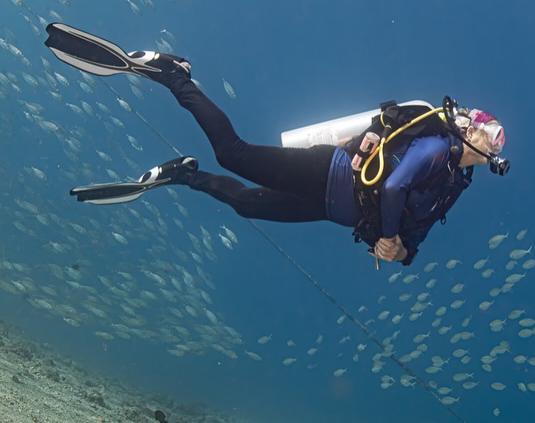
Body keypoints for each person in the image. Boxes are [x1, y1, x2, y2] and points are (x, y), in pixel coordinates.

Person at [44, 23, 508, 266]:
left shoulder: (456, 180)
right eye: (492, 129)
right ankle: (174, 76)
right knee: (234, 152)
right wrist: (389, 236)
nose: (497, 139)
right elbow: (392, 189)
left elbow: (417, 228)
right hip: (329, 172)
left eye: (498, 138)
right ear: (471, 129)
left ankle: (184, 173)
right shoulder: (436, 148)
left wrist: (402, 251)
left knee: (247, 205)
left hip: (329, 207)